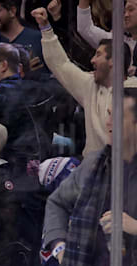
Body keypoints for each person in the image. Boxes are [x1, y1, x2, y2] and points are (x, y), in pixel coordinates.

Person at [42, 87, 137, 266]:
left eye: (116, 116)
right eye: (108, 114)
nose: (107, 122)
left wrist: (133, 226)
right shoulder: (94, 165)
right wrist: (59, 244)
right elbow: (56, 203)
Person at [34, 7, 130, 158]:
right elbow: (61, 64)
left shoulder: (134, 90)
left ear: (113, 60)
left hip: (126, 171)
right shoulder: (89, 86)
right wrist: (46, 28)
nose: (92, 60)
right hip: (91, 171)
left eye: (98, 55)